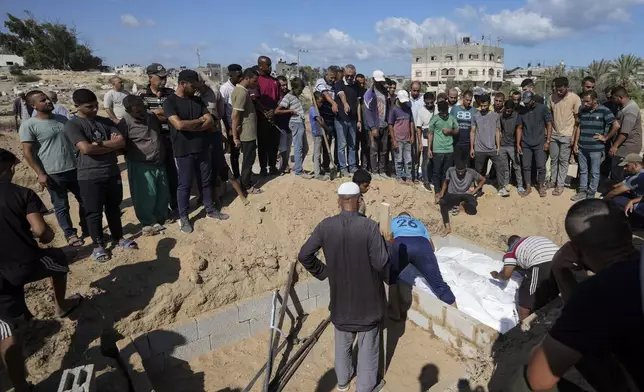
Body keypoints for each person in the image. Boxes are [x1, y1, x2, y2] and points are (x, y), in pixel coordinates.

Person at [511, 199, 644, 392]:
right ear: (628, 230)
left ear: (576, 250)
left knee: (522, 382)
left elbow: (539, 379)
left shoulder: (596, 294)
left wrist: (560, 269)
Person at [0, 148, 82, 392]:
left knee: (4, 325)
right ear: (8, 168)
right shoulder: (22, 194)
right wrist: (49, 235)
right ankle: (62, 306)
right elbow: (40, 232)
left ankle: (19, 385)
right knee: (58, 261)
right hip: (25, 264)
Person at [298, 182, 389, 392]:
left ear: (339, 201)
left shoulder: (325, 226)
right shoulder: (370, 227)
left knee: (342, 344)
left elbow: (305, 255)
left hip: (340, 303)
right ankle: (366, 387)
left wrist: (324, 272)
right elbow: (381, 263)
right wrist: (389, 245)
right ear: (360, 200)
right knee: (367, 348)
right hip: (367, 305)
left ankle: (343, 382)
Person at [64, 88, 136, 262]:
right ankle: (98, 244)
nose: (95, 109)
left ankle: (118, 237)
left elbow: (121, 142)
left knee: (113, 208)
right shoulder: (73, 125)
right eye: (90, 107)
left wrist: (100, 144)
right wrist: (109, 145)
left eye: (96, 105)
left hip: (111, 171)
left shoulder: (105, 121)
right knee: (94, 212)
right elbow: (86, 149)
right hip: (89, 175)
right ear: (77, 106)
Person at [163, 69, 229, 234]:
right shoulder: (170, 102)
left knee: (206, 182)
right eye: (193, 86)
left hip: (202, 148)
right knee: (184, 185)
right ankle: (183, 216)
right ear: (183, 84)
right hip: (183, 150)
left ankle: (210, 209)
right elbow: (179, 125)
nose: (195, 89)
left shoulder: (198, 101)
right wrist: (199, 122)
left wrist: (193, 124)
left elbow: (210, 122)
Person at [19, 90, 87, 247]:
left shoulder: (62, 119)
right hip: (53, 173)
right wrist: (40, 173)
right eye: (43, 100)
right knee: (61, 205)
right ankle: (70, 234)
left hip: (75, 168)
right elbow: (27, 153)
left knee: (85, 200)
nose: (48, 101)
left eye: (48, 99)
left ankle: (87, 227)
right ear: (33, 105)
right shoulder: (29, 125)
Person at [117, 95, 169, 236]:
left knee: (162, 192)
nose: (141, 112)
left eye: (142, 108)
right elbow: (120, 146)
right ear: (128, 110)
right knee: (145, 195)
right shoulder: (124, 123)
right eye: (137, 110)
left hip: (158, 161)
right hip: (140, 165)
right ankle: (149, 222)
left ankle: (161, 217)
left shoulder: (150, 116)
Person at [388, 212, 455, 307]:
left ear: (398, 217)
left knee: (390, 278)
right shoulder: (419, 223)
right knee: (439, 284)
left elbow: (386, 239)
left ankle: (394, 313)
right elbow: (432, 247)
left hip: (401, 243)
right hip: (422, 244)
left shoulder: (392, 221)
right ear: (410, 218)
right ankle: (458, 315)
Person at [138, 63, 178, 215]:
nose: (164, 80)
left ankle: (175, 204)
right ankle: (161, 208)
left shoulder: (170, 93)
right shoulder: (142, 95)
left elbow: (176, 112)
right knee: (158, 176)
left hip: (172, 138)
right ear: (150, 78)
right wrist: (166, 114)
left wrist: (158, 113)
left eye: (165, 77)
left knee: (173, 173)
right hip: (154, 140)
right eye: (160, 77)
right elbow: (144, 117)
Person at [490, 235, 559, 321]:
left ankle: (524, 328)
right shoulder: (530, 239)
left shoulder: (511, 250)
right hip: (560, 260)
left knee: (526, 299)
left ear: (510, 245)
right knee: (551, 293)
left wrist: (497, 275)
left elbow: (506, 275)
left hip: (541, 263)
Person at [570, 90, 617, 201]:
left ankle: (591, 194)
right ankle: (582, 191)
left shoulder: (604, 110)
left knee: (595, 172)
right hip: (582, 147)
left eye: (587, 101)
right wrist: (575, 143)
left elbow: (616, 125)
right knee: (582, 170)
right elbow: (578, 127)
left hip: (596, 148)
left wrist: (605, 137)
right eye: (583, 101)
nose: (585, 104)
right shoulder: (582, 110)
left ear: (595, 100)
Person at [596, 86, 642, 183]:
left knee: (619, 170)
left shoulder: (630, 110)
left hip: (628, 146)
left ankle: (618, 192)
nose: (612, 100)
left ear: (620, 97)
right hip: (624, 145)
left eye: (613, 98)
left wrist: (615, 146)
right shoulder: (624, 108)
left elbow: (625, 132)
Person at [470, 94, 508, 196]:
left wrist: (498, 146)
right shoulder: (475, 116)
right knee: (479, 170)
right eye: (481, 106)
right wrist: (472, 148)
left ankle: (501, 188)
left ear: (489, 104)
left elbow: (497, 131)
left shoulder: (495, 116)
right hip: (479, 149)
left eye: (485, 106)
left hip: (492, 148)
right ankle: (478, 188)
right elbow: (473, 132)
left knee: (500, 167)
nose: (483, 108)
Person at [548, 77, 581, 196]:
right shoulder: (551, 97)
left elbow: (578, 120)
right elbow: (550, 115)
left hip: (567, 135)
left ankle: (560, 184)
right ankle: (553, 181)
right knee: (553, 159)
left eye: (561, 90)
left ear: (567, 87)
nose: (558, 92)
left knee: (563, 161)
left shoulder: (575, 98)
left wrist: (574, 137)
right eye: (557, 90)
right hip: (554, 134)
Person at [516, 91, 553, 197]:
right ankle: (528, 187)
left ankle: (541, 186)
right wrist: (518, 143)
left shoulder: (543, 108)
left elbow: (549, 125)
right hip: (526, 142)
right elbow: (519, 127)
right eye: (525, 102)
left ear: (533, 100)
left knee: (541, 166)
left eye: (528, 102)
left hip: (540, 142)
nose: (526, 104)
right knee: (526, 166)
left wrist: (548, 141)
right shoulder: (522, 111)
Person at [232, 68, 262, 195]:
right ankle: (246, 185)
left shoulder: (242, 91)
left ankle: (245, 180)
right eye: (254, 80)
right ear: (247, 78)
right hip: (246, 133)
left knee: (249, 158)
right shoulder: (242, 93)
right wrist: (235, 136)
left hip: (247, 131)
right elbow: (235, 115)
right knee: (248, 159)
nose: (256, 83)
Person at [437, 160, 485, 236]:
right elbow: (446, 181)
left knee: (473, 207)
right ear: (455, 168)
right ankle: (447, 227)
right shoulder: (450, 170)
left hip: (466, 194)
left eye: (462, 171)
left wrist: (475, 190)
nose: (460, 173)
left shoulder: (471, 172)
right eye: (458, 171)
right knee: (442, 202)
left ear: (465, 168)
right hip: (453, 193)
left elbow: (483, 179)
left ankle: (459, 206)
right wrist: (441, 193)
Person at [275, 78, 310, 178]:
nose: (301, 92)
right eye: (299, 90)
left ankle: (297, 167)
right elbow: (277, 111)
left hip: (301, 122)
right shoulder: (288, 97)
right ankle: (299, 170)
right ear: (294, 88)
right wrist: (290, 111)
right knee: (298, 146)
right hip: (295, 123)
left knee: (305, 148)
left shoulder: (296, 96)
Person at [255, 56, 282, 176]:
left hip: (274, 116)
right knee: (263, 144)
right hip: (261, 118)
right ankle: (263, 168)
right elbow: (255, 99)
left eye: (271, 65)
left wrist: (274, 110)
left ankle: (272, 166)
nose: (270, 67)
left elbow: (280, 98)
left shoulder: (275, 81)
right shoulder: (257, 80)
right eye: (268, 65)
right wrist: (265, 112)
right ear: (261, 65)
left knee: (273, 143)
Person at [334, 64, 362, 177]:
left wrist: (359, 120)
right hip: (341, 120)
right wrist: (345, 104)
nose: (350, 78)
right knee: (342, 145)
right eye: (348, 75)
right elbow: (341, 94)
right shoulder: (339, 84)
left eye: (352, 75)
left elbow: (358, 104)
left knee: (352, 144)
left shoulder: (356, 86)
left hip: (353, 120)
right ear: (344, 74)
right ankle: (343, 168)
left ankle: (352, 166)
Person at [428, 101, 458, 203]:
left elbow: (457, 130)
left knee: (447, 173)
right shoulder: (435, 118)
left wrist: (450, 131)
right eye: (442, 112)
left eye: (445, 111)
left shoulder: (452, 118)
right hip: (437, 150)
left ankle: (443, 193)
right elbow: (430, 133)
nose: (444, 114)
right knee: (437, 172)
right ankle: (437, 192)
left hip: (449, 150)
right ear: (439, 110)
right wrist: (429, 149)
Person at [603, 153, 644, 225]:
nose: (625, 168)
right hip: (640, 199)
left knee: (616, 200)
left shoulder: (639, 176)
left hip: (641, 205)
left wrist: (602, 201)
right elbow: (618, 186)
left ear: (636, 165)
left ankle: (634, 222)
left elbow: (615, 192)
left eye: (627, 165)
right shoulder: (637, 174)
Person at [363, 70, 390, 178]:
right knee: (374, 149)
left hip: (384, 124)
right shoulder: (369, 94)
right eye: (377, 81)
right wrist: (372, 127)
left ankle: (382, 170)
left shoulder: (384, 91)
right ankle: (374, 172)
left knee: (383, 149)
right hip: (375, 125)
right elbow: (367, 112)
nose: (379, 83)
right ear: (373, 80)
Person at [220, 64, 244, 178]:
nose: (240, 77)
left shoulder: (240, 87)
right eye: (237, 75)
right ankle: (236, 175)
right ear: (230, 74)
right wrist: (229, 128)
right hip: (231, 125)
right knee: (234, 152)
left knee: (242, 151)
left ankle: (244, 173)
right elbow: (223, 111)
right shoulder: (225, 89)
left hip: (242, 125)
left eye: (241, 74)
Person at [315, 66, 339, 174]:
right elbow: (325, 94)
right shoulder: (321, 82)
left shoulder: (334, 84)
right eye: (331, 77)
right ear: (326, 74)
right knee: (323, 143)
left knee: (332, 142)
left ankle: (330, 165)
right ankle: (321, 166)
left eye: (334, 78)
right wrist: (333, 103)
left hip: (333, 118)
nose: (333, 80)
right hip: (323, 118)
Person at [388, 90, 416, 182]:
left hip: (407, 138)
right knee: (398, 159)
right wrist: (394, 140)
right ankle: (399, 176)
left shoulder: (408, 108)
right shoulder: (394, 110)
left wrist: (412, 135)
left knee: (408, 159)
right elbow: (390, 125)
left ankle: (408, 177)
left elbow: (411, 122)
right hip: (398, 139)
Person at [499, 100, 525, 193]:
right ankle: (505, 184)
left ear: (513, 109)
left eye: (509, 111)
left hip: (513, 145)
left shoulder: (517, 116)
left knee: (516, 166)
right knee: (505, 167)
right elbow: (499, 129)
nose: (507, 112)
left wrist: (518, 144)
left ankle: (520, 185)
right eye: (506, 110)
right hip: (502, 145)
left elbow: (520, 129)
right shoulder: (501, 116)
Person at [450, 90, 477, 167]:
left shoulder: (474, 111)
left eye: (470, 100)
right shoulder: (455, 109)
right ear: (462, 98)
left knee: (466, 166)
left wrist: (472, 147)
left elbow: (474, 129)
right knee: (456, 165)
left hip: (468, 144)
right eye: (467, 100)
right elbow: (451, 125)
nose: (468, 102)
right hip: (456, 143)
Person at [416, 92, 435, 189]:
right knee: (426, 161)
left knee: (434, 161)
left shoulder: (437, 109)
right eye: (427, 103)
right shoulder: (421, 111)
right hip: (425, 140)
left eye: (431, 103)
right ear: (424, 102)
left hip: (436, 140)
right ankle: (426, 180)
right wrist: (419, 142)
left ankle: (432, 179)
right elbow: (419, 128)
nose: (430, 105)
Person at [309, 92, 329, 180]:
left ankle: (318, 168)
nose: (321, 104)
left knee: (317, 153)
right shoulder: (313, 109)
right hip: (317, 133)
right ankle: (317, 174)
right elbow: (320, 122)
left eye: (322, 102)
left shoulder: (318, 110)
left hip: (320, 133)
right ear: (314, 100)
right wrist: (327, 128)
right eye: (319, 102)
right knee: (317, 154)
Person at [275, 75, 292, 174]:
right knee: (282, 148)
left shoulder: (289, 94)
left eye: (286, 85)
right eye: (282, 85)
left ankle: (285, 165)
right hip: (280, 125)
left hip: (288, 124)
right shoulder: (277, 95)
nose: (284, 87)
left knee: (287, 147)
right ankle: (282, 166)